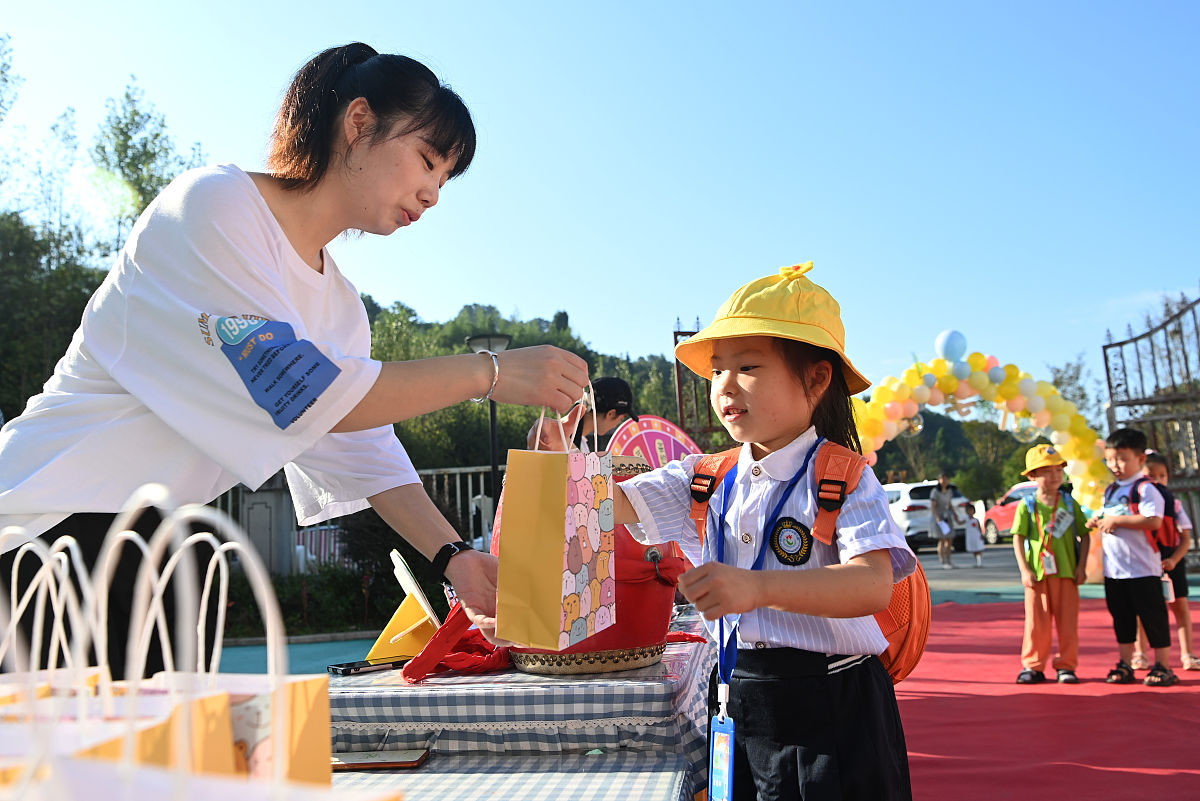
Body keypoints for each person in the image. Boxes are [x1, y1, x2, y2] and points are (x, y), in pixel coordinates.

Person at [0, 43, 588, 678]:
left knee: (148, 769)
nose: (433, 193)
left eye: (445, 177)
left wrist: (453, 557)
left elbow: (365, 450)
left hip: (154, 551)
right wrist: (490, 374)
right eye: (426, 160)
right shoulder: (215, 206)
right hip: (41, 532)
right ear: (358, 123)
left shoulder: (339, 307)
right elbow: (310, 395)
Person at [610, 263, 916, 800]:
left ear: (817, 378)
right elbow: (609, 506)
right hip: (736, 696)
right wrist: (563, 456)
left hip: (834, 704)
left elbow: (871, 585)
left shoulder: (844, 475)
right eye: (717, 371)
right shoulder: (702, 475)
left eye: (748, 366)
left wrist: (756, 589)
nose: (726, 385)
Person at [1087, 428, 1178, 687]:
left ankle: (1163, 665)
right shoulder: (1111, 490)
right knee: (1122, 618)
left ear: (1140, 460)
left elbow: (1153, 520)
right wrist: (1100, 519)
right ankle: (1125, 663)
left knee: (1153, 618)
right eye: (1111, 459)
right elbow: (1108, 516)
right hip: (1115, 571)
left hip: (1143, 569)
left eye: (1123, 458)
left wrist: (1118, 520)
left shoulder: (1146, 489)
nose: (1116, 465)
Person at [1010, 444, 1090, 684]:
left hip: (1066, 573)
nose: (1055, 476)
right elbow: (1018, 538)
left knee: (1068, 623)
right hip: (1037, 575)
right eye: (1047, 471)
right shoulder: (1027, 505)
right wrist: (1025, 570)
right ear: (1033, 475)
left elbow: (1085, 534)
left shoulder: (1069, 503)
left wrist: (1081, 567)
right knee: (1036, 623)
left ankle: (1066, 665)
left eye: (1059, 470)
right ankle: (1033, 665)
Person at [1131, 452, 1198, 671]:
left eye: (1162, 475)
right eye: (1151, 475)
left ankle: (1188, 654)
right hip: (1144, 562)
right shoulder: (1135, 506)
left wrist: (1173, 560)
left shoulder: (1174, 504)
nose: (1158, 480)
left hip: (1171, 561)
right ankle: (1140, 654)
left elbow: (1186, 538)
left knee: (1180, 608)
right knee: (1142, 611)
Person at [573, 376, 639, 452]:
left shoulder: (576, 442)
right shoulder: (571, 445)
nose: (615, 425)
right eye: (621, 419)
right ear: (611, 414)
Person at [929, 471, 957, 569]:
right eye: (942, 479)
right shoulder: (935, 492)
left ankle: (949, 560)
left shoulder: (949, 491)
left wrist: (955, 514)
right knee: (942, 539)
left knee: (950, 539)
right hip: (939, 518)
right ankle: (943, 561)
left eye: (946, 479)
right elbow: (933, 506)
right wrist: (937, 518)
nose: (944, 481)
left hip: (947, 517)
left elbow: (949, 504)